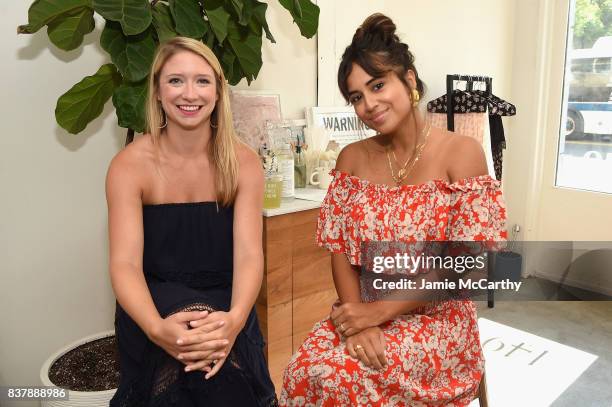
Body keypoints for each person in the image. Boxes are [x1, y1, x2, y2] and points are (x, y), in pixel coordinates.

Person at [280, 14, 507, 406]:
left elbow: (468, 265)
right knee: (305, 369)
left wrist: (381, 312)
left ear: (410, 80)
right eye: (356, 97)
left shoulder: (461, 153)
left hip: (437, 319)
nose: (368, 104)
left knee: (345, 378)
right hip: (366, 306)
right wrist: (357, 321)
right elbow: (341, 255)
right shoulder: (351, 159)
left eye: (377, 85)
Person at [106, 37, 277, 406]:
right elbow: (125, 264)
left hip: (226, 303)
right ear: (156, 91)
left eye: (202, 81)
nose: (190, 93)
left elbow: (249, 255)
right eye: (175, 80)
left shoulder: (244, 162)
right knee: (200, 369)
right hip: (153, 302)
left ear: (218, 92)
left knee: (217, 369)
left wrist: (233, 320)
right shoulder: (129, 166)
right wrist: (156, 329)